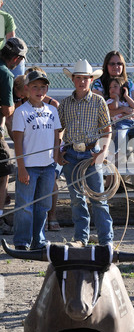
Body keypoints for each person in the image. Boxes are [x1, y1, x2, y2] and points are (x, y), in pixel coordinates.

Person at [59, 59, 113, 248]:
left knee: (98, 197)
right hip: (72, 153)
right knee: (76, 199)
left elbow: (107, 130)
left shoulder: (98, 102)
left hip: (92, 154)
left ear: (91, 80)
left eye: (86, 78)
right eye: (78, 78)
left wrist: (103, 152)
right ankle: (81, 238)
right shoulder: (65, 104)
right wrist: (59, 151)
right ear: (73, 79)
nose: (82, 81)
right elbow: (59, 129)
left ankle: (106, 239)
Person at [12, 70, 61, 250]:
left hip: (48, 166)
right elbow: (18, 140)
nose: (39, 90)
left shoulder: (52, 111)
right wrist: (22, 168)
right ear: (27, 88)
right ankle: (22, 242)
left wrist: (55, 162)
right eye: (35, 87)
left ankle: (38, 240)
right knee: (25, 206)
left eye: (43, 87)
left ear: (47, 88)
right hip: (29, 167)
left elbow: (57, 138)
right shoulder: (21, 112)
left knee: (44, 205)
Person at [92, 50, 134, 192]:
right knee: (118, 140)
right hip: (107, 126)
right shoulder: (98, 84)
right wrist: (122, 111)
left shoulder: (128, 83)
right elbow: (99, 112)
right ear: (106, 66)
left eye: (119, 63)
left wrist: (129, 113)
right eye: (112, 63)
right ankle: (112, 181)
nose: (116, 66)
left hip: (129, 124)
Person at [0, 37, 27, 235]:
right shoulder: (5, 74)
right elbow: (8, 110)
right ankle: (0, 217)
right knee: (4, 172)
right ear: (17, 59)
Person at [0, 0, 25, 77]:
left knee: (18, 58)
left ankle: (17, 86)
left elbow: (11, 41)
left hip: (1, 54)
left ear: (1, 4)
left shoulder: (6, 18)